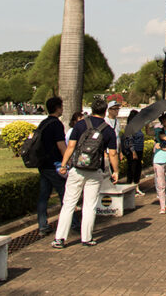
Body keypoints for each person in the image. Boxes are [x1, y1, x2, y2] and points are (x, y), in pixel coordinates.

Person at [53, 96, 118, 248]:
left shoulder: (81, 125)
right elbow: (113, 154)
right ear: (105, 111)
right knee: (89, 205)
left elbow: (70, 147)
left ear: (92, 110)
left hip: (77, 169)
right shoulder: (108, 130)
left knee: (68, 204)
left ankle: (60, 238)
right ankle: (86, 238)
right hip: (95, 170)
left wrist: (64, 164)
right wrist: (115, 171)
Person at [36, 97, 67, 236]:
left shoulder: (44, 123)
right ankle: (71, 223)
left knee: (43, 196)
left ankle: (43, 225)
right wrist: (67, 161)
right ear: (57, 108)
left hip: (43, 164)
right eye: (61, 106)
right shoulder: (57, 124)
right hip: (55, 164)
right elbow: (61, 145)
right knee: (65, 196)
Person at [125, 109, 145, 194]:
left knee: (137, 169)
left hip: (139, 150)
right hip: (133, 151)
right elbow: (130, 140)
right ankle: (130, 187)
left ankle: (136, 187)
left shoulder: (138, 127)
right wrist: (133, 151)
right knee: (132, 169)